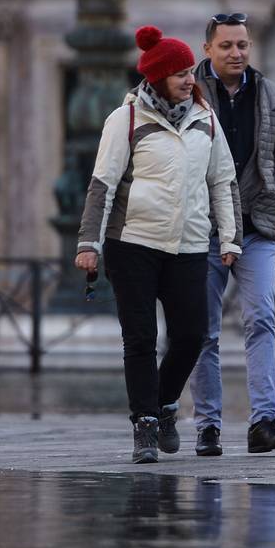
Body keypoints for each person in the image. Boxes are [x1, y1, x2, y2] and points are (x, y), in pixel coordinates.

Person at [75, 25, 242, 464]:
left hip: (188, 245)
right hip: (133, 244)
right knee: (141, 339)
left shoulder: (205, 119)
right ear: (157, 77)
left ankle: (166, 405)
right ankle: (144, 425)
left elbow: (222, 181)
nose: (190, 79)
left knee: (192, 334)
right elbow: (102, 185)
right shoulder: (126, 119)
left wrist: (230, 238)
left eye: (191, 71)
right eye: (180, 73)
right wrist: (88, 242)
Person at [188, 13, 275, 456]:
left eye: (243, 45)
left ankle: (264, 422)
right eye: (227, 45)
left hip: (257, 224)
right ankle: (208, 426)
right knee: (202, 331)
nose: (236, 53)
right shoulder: (188, 92)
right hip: (204, 228)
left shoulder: (269, 93)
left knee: (262, 321)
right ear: (208, 49)